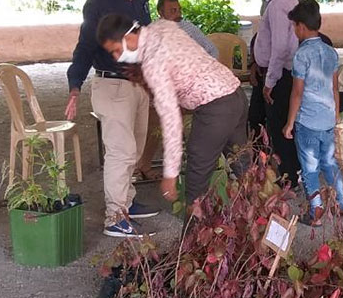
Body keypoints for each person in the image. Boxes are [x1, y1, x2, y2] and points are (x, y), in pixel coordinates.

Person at [95, 14, 246, 207]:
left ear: (129, 37)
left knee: (197, 178)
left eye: (116, 50)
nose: (117, 57)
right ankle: (265, 226)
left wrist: (170, 175)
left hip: (215, 106)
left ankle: (194, 234)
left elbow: (171, 121)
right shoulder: (162, 26)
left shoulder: (153, 64)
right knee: (244, 166)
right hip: (235, 93)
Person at [66, 0, 158, 237]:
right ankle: (114, 216)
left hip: (137, 81)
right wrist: (74, 86)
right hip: (112, 84)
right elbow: (84, 47)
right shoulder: (98, 3)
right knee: (120, 151)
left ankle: (127, 201)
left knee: (137, 146)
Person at [283, 0, 343, 225]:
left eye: (294, 26)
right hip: (328, 119)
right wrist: (336, 117)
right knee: (330, 163)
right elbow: (335, 88)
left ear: (301, 26)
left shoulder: (301, 55)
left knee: (310, 169)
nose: (294, 31)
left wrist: (290, 123)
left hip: (308, 122)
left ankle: (316, 212)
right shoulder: (331, 52)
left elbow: (297, 94)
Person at [248, 0, 302, 180]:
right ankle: (263, 170)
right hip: (271, 72)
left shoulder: (281, 2)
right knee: (257, 121)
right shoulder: (276, 0)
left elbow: (280, 47)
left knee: (279, 126)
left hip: (279, 75)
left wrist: (269, 82)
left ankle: (289, 174)